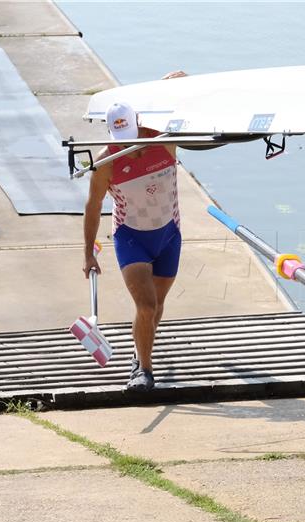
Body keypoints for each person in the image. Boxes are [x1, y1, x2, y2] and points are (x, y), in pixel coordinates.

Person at [82, 72, 187, 391]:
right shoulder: (106, 163)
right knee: (146, 305)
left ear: (137, 120)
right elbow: (92, 205)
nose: (126, 143)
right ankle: (143, 370)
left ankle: (140, 352)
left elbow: (178, 107)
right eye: (119, 137)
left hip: (169, 234)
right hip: (131, 238)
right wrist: (88, 252)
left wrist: (170, 84)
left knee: (157, 305)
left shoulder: (163, 139)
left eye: (129, 132)